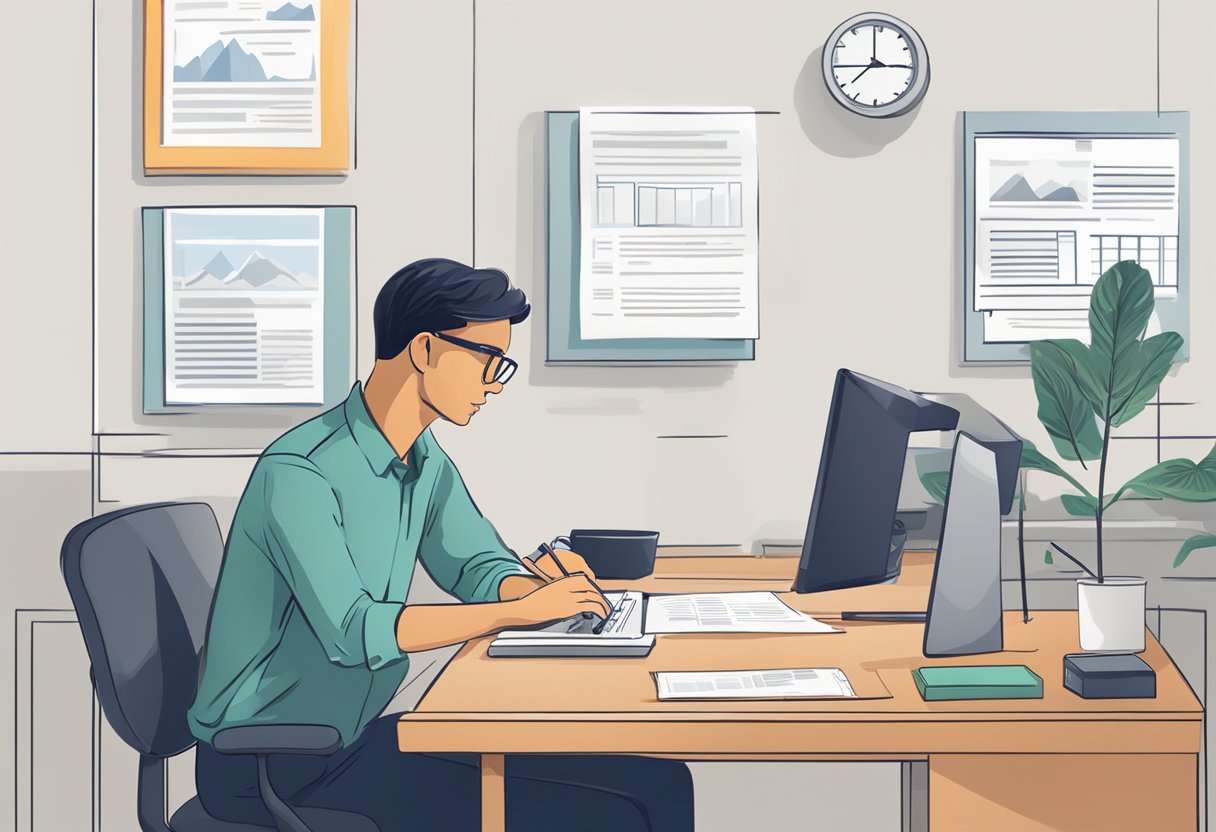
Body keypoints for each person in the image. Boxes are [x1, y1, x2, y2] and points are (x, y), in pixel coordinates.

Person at [188, 258, 693, 831]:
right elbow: (355, 633)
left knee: (662, 782)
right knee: (616, 814)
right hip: (272, 766)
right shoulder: (301, 472)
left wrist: (543, 590)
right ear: (425, 350)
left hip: (353, 739)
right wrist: (516, 612)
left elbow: (476, 563)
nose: (494, 384)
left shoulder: (424, 462)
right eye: (488, 362)